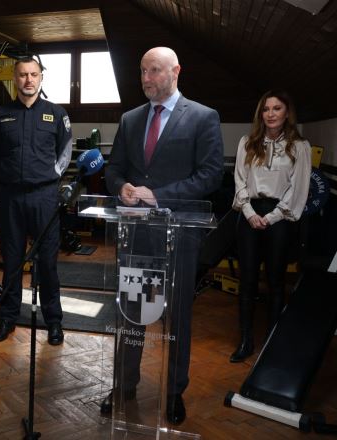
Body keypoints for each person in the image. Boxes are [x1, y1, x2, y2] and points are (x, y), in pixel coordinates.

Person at [104, 47, 224, 424]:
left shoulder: (203, 117)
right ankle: (124, 384)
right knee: (133, 314)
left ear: (175, 72)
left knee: (177, 318)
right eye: (142, 71)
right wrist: (122, 187)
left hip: (180, 237)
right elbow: (113, 169)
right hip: (137, 236)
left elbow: (211, 175)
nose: (146, 79)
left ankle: (174, 392)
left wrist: (159, 196)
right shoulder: (130, 119)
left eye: (154, 70)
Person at [0, 57, 73, 346]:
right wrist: (9, 178)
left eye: (33, 74)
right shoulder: (1, 115)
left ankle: (54, 321)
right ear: (15, 78)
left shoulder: (56, 113)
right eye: (23, 74)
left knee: (47, 263)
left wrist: (49, 177)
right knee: (12, 260)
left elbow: (65, 151)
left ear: (41, 78)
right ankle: (8, 316)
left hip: (44, 197)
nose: (28, 80)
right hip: (11, 198)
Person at [230, 91, 311, 363]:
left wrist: (274, 216)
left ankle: (271, 343)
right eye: (266, 109)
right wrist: (250, 213)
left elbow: (298, 188)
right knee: (247, 280)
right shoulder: (247, 142)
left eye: (277, 108)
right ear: (260, 114)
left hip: (280, 217)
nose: (271, 114)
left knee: (275, 281)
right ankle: (245, 341)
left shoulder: (299, 146)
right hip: (249, 214)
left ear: (287, 113)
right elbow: (239, 179)